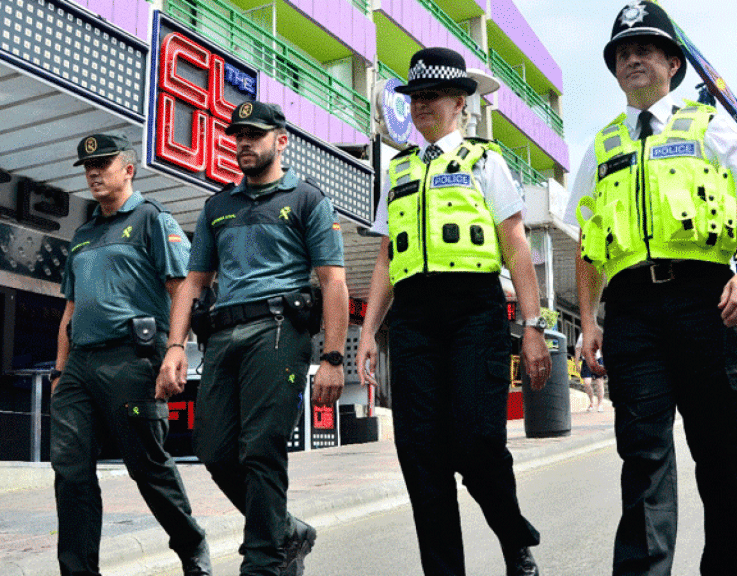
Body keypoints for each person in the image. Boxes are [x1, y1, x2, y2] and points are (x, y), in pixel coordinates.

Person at [566, 3, 737, 575]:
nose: (632, 59)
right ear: (614, 71)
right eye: (622, 53)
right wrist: (587, 321)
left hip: (708, 304)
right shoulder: (601, 146)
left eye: (645, 49)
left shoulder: (713, 127)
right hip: (632, 312)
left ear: (673, 64)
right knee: (642, 459)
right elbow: (588, 246)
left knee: (723, 456)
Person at [356, 47, 550, 576]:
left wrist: (532, 328)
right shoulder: (397, 169)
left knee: (477, 440)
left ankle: (513, 537)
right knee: (421, 457)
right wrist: (367, 332)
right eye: (415, 97)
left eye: (432, 96)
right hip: (414, 318)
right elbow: (385, 256)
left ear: (461, 102)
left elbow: (516, 246)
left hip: (473, 312)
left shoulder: (486, 160)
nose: (421, 106)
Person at [158, 100, 349, 576]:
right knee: (214, 451)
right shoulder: (217, 207)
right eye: (238, 135)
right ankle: (286, 530)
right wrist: (175, 348)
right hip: (223, 337)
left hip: (279, 330)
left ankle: (263, 562)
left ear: (281, 141)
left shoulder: (307, 200)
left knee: (261, 448)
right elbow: (193, 284)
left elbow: (333, 281)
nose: (243, 142)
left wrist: (332, 356)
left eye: (255, 135)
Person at [50, 133, 211, 576]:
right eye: (88, 167)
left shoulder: (150, 220)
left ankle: (191, 543)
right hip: (80, 366)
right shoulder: (82, 236)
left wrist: (175, 351)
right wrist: (60, 371)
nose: (94, 172)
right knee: (70, 471)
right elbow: (71, 308)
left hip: (133, 358)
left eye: (104, 163)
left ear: (128, 169)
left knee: (147, 467)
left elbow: (182, 290)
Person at [575, 332, 606, 412]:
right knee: (586, 383)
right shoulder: (582, 335)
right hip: (586, 361)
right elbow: (578, 348)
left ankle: (600, 404)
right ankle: (592, 401)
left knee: (599, 383)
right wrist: (576, 361)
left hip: (598, 360)